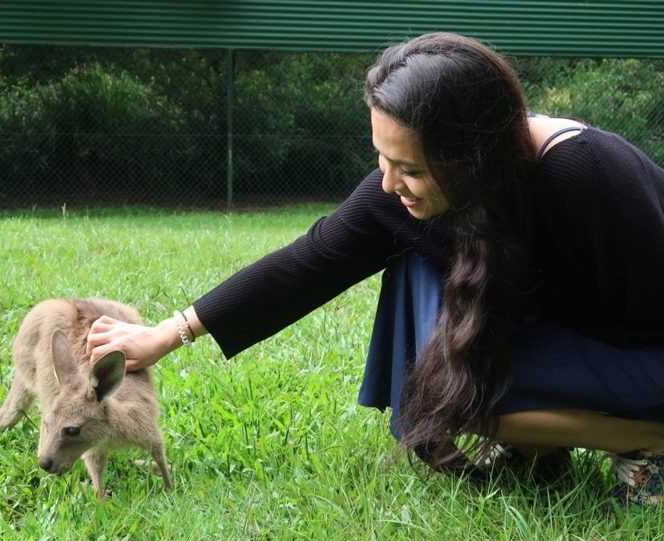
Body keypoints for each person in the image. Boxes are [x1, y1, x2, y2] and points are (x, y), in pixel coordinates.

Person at [86, 32, 664, 505]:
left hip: (646, 349)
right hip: (569, 331)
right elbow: (311, 260)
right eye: (381, 159)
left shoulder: (585, 173)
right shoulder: (422, 190)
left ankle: (645, 442)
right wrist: (167, 333)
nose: (389, 184)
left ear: (473, 154)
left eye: (408, 167)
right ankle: (534, 437)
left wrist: (516, 380)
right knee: (421, 292)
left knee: (456, 392)